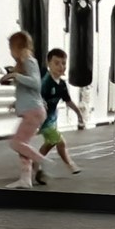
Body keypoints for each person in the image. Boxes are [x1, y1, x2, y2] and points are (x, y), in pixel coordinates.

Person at [1, 30, 46, 190]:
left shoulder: (29, 61)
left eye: (11, 47)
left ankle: (42, 161)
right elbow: (27, 92)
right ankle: (25, 179)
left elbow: (36, 84)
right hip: (31, 110)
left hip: (34, 111)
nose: (10, 52)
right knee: (22, 146)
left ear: (17, 47)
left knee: (17, 143)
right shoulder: (23, 64)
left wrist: (15, 76)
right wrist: (16, 103)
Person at [36, 47, 85, 183]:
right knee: (60, 141)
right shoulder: (45, 83)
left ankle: (35, 162)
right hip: (43, 119)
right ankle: (70, 164)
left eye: (63, 63)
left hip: (52, 119)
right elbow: (36, 97)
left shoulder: (62, 84)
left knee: (50, 144)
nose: (61, 66)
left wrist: (79, 114)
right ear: (49, 64)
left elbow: (68, 101)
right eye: (56, 63)